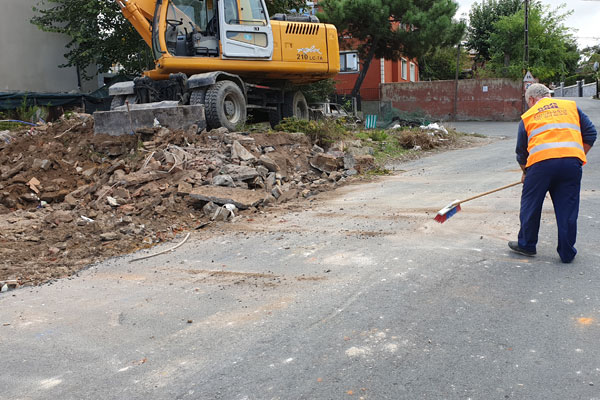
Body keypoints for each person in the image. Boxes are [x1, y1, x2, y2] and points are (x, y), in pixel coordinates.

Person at [508, 83, 597, 262]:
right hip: (571, 164)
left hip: (540, 166)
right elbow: (590, 133)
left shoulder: (529, 115)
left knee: (531, 205)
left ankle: (526, 245)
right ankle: (567, 253)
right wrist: (577, 157)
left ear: (531, 99)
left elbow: (521, 152)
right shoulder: (571, 107)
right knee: (567, 208)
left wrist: (526, 172)